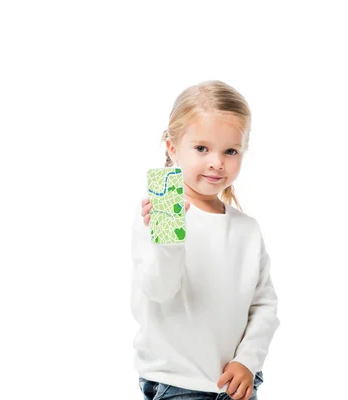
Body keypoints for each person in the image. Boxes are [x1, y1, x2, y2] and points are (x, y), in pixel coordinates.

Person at [131, 80, 280, 400]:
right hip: (176, 383)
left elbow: (264, 305)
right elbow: (158, 290)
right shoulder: (159, 215)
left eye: (230, 151)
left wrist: (248, 360)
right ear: (173, 148)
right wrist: (168, 239)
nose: (217, 162)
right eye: (202, 148)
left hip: (235, 384)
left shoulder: (247, 229)